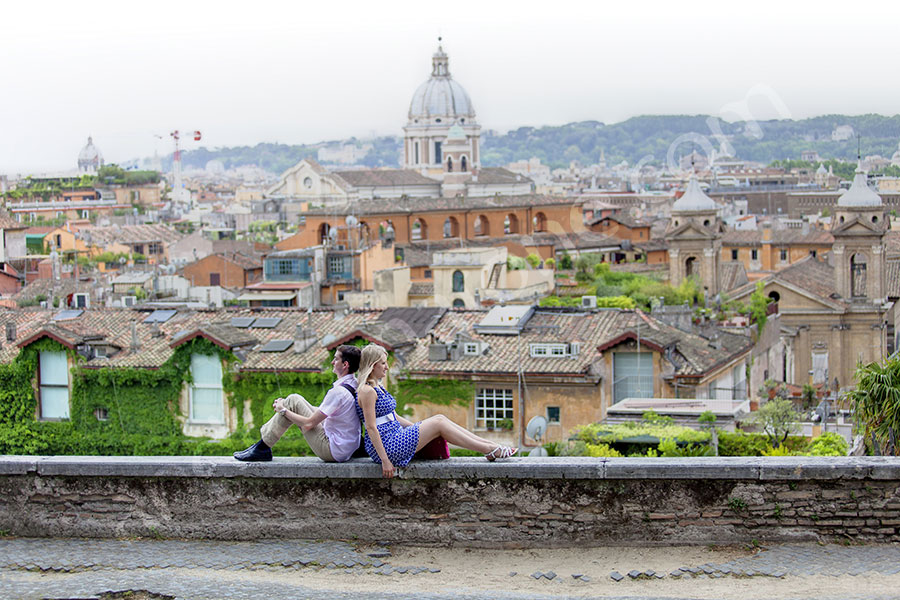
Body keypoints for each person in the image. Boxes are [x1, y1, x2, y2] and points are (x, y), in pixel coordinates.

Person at [354, 344, 517, 478]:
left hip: (394, 438)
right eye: (383, 363)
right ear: (373, 365)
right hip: (387, 446)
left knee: (439, 419)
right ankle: (489, 449)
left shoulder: (378, 387)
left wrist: (419, 429)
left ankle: (489, 446)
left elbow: (394, 417)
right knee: (438, 422)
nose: (387, 367)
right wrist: (385, 461)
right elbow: (371, 428)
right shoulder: (367, 391)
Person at [233, 345, 363, 462]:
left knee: (292, 402)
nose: (332, 362)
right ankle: (262, 445)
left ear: (345, 365)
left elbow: (308, 424)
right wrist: (287, 406)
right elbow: (328, 411)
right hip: (346, 446)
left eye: (336, 359)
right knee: (293, 400)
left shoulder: (338, 392)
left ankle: (262, 447)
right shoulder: (354, 384)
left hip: (332, 450)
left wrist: (283, 410)